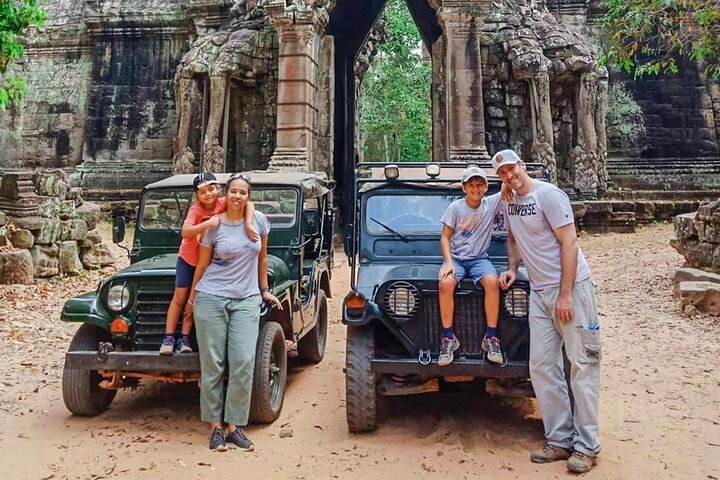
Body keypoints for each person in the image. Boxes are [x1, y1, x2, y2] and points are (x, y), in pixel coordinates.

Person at [492, 149, 601, 474]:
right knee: (541, 365)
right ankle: (560, 438)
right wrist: (512, 268)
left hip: (571, 289)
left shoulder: (549, 196)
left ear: (522, 166)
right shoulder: (508, 201)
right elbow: (513, 237)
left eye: (512, 169)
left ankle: (587, 446)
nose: (509, 176)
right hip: (539, 291)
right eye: (503, 173)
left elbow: (570, 243)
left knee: (582, 363)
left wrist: (566, 294)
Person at [186, 172, 282, 452]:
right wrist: (191, 301)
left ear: (248, 196)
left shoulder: (259, 221)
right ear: (226, 195)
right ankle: (216, 428)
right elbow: (202, 266)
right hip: (212, 297)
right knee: (213, 363)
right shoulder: (213, 225)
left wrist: (264, 290)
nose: (238, 196)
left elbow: (262, 257)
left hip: (247, 298)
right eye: (234, 192)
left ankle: (235, 426)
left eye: (243, 192)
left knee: (242, 361)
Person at [159, 172, 257, 355]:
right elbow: (185, 232)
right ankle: (169, 337)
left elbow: (249, 203)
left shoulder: (223, 203)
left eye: (211, 189)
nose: (208, 194)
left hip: (210, 261)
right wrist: (208, 224)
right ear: (197, 196)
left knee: (195, 299)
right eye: (203, 192)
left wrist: (248, 224)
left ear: (219, 190)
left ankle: (185, 338)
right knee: (180, 298)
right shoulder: (196, 210)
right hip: (188, 259)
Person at [438, 166, 504, 366]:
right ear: (464, 187)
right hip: (457, 258)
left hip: (479, 259)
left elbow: (508, 186)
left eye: (480, 185)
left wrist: (516, 168)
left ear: (485, 187)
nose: (476, 189)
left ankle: (491, 337)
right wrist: (448, 262)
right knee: (445, 283)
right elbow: (445, 237)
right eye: (471, 185)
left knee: (493, 282)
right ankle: (448, 337)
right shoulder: (456, 208)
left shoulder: (490, 204)